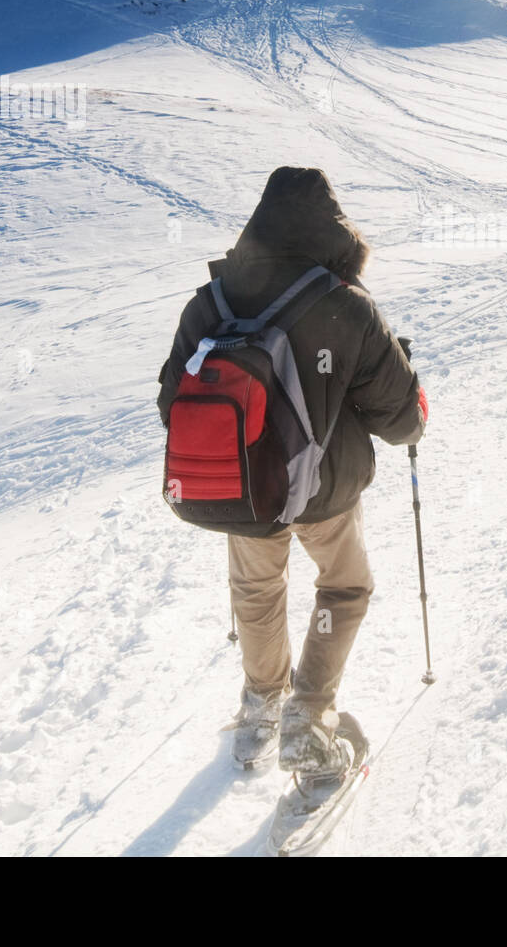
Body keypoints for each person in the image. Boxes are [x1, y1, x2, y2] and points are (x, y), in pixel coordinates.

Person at [157, 167, 426, 775]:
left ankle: (260, 707)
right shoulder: (348, 305)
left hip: (244, 490)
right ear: (334, 234)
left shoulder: (211, 303)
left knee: (256, 589)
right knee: (343, 587)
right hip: (326, 492)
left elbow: (171, 405)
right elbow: (402, 421)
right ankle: (308, 714)